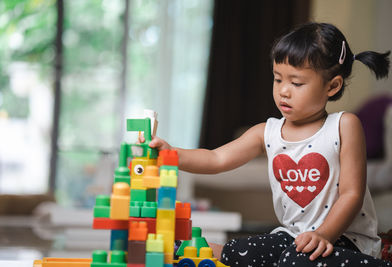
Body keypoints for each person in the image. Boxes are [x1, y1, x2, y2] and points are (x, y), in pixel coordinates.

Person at [140, 22, 391, 266]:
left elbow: (352, 194)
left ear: (332, 86)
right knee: (241, 251)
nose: (283, 91)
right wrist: (170, 153)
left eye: (296, 83)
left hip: (344, 239)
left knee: (294, 259)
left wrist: (324, 235)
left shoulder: (344, 125)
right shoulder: (267, 132)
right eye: (277, 79)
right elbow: (217, 159)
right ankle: (199, 252)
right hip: (294, 237)